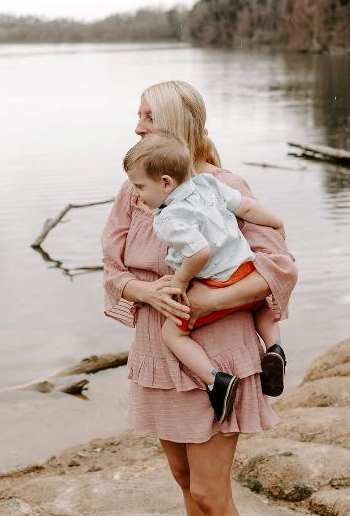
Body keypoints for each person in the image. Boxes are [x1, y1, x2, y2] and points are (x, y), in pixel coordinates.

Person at [101, 81, 297, 515]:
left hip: (217, 349)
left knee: (210, 494)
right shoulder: (138, 189)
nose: (137, 128)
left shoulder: (222, 185)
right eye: (138, 116)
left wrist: (209, 302)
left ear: (176, 123)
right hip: (159, 350)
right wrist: (147, 290)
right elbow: (113, 272)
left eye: (148, 117)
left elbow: (278, 267)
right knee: (185, 482)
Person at [121, 131, 288, 424]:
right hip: (245, 271)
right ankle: (274, 347)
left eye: (139, 186)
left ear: (165, 182)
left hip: (215, 282)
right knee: (260, 304)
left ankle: (216, 381)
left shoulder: (168, 218)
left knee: (172, 334)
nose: (136, 194)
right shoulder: (209, 182)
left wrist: (180, 281)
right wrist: (276, 221)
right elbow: (246, 208)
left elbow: (199, 252)